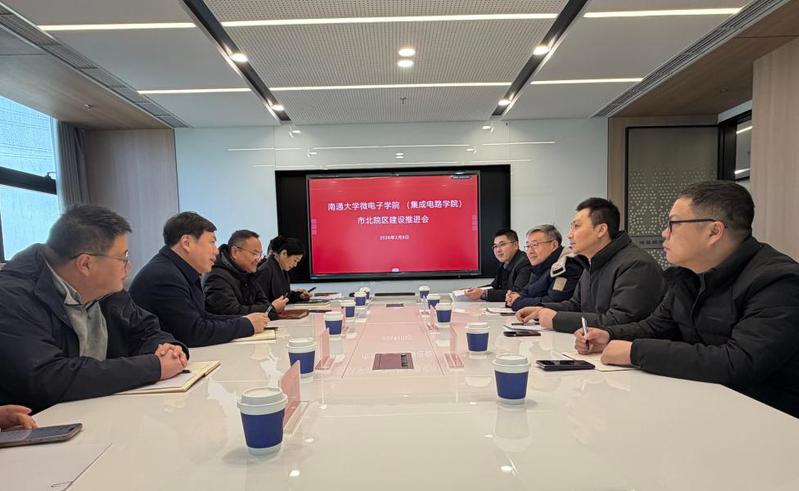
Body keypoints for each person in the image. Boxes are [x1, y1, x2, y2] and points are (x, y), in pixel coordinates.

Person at [576, 181, 799, 418]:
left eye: (673, 224)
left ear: (714, 231)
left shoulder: (777, 280)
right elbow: (655, 327)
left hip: (769, 417)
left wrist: (636, 352)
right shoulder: (688, 275)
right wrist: (609, 335)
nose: (665, 233)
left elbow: (739, 362)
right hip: (705, 403)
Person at [0, 205, 188, 413]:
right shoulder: (12, 296)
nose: (128, 266)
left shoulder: (105, 288)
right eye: (123, 258)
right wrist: (154, 367)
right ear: (85, 264)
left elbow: (146, 330)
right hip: (45, 420)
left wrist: (168, 349)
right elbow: (48, 378)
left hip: (100, 410)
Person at [517, 198, 664, 331]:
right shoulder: (590, 261)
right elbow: (576, 305)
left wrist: (557, 319)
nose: (569, 235)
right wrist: (541, 309)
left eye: (576, 227)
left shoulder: (636, 265)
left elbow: (621, 320)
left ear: (601, 230)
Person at [130, 212, 268, 347]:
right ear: (187, 243)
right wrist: (246, 325)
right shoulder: (164, 276)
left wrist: (245, 319)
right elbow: (193, 332)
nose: (216, 251)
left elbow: (202, 317)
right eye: (212, 242)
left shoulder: (179, 270)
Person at [506, 225, 583, 311]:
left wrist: (518, 302)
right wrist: (515, 296)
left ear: (554, 245)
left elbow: (554, 302)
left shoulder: (568, 266)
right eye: (528, 246)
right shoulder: (540, 265)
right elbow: (528, 291)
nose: (530, 251)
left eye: (535, 245)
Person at [204, 230, 277, 320]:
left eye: (260, 254)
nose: (258, 259)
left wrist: (268, 309)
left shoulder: (248, 272)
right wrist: (269, 309)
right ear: (235, 252)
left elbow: (265, 305)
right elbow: (231, 312)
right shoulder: (216, 277)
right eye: (254, 253)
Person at [464, 229, 532, 302]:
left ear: (515, 245)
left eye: (502, 244)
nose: (498, 250)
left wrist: (483, 293)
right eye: (495, 246)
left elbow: (516, 293)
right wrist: (474, 290)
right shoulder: (504, 263)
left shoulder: (525, 263)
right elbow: (494, 286)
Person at [255, 236, 310, 313]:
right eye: (295, 260)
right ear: (284, 253)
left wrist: (299, 296)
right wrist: (273, 308)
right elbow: (259, 304)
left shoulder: (282, 269)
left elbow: (283, 296)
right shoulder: (265, 270)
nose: (295, 265)